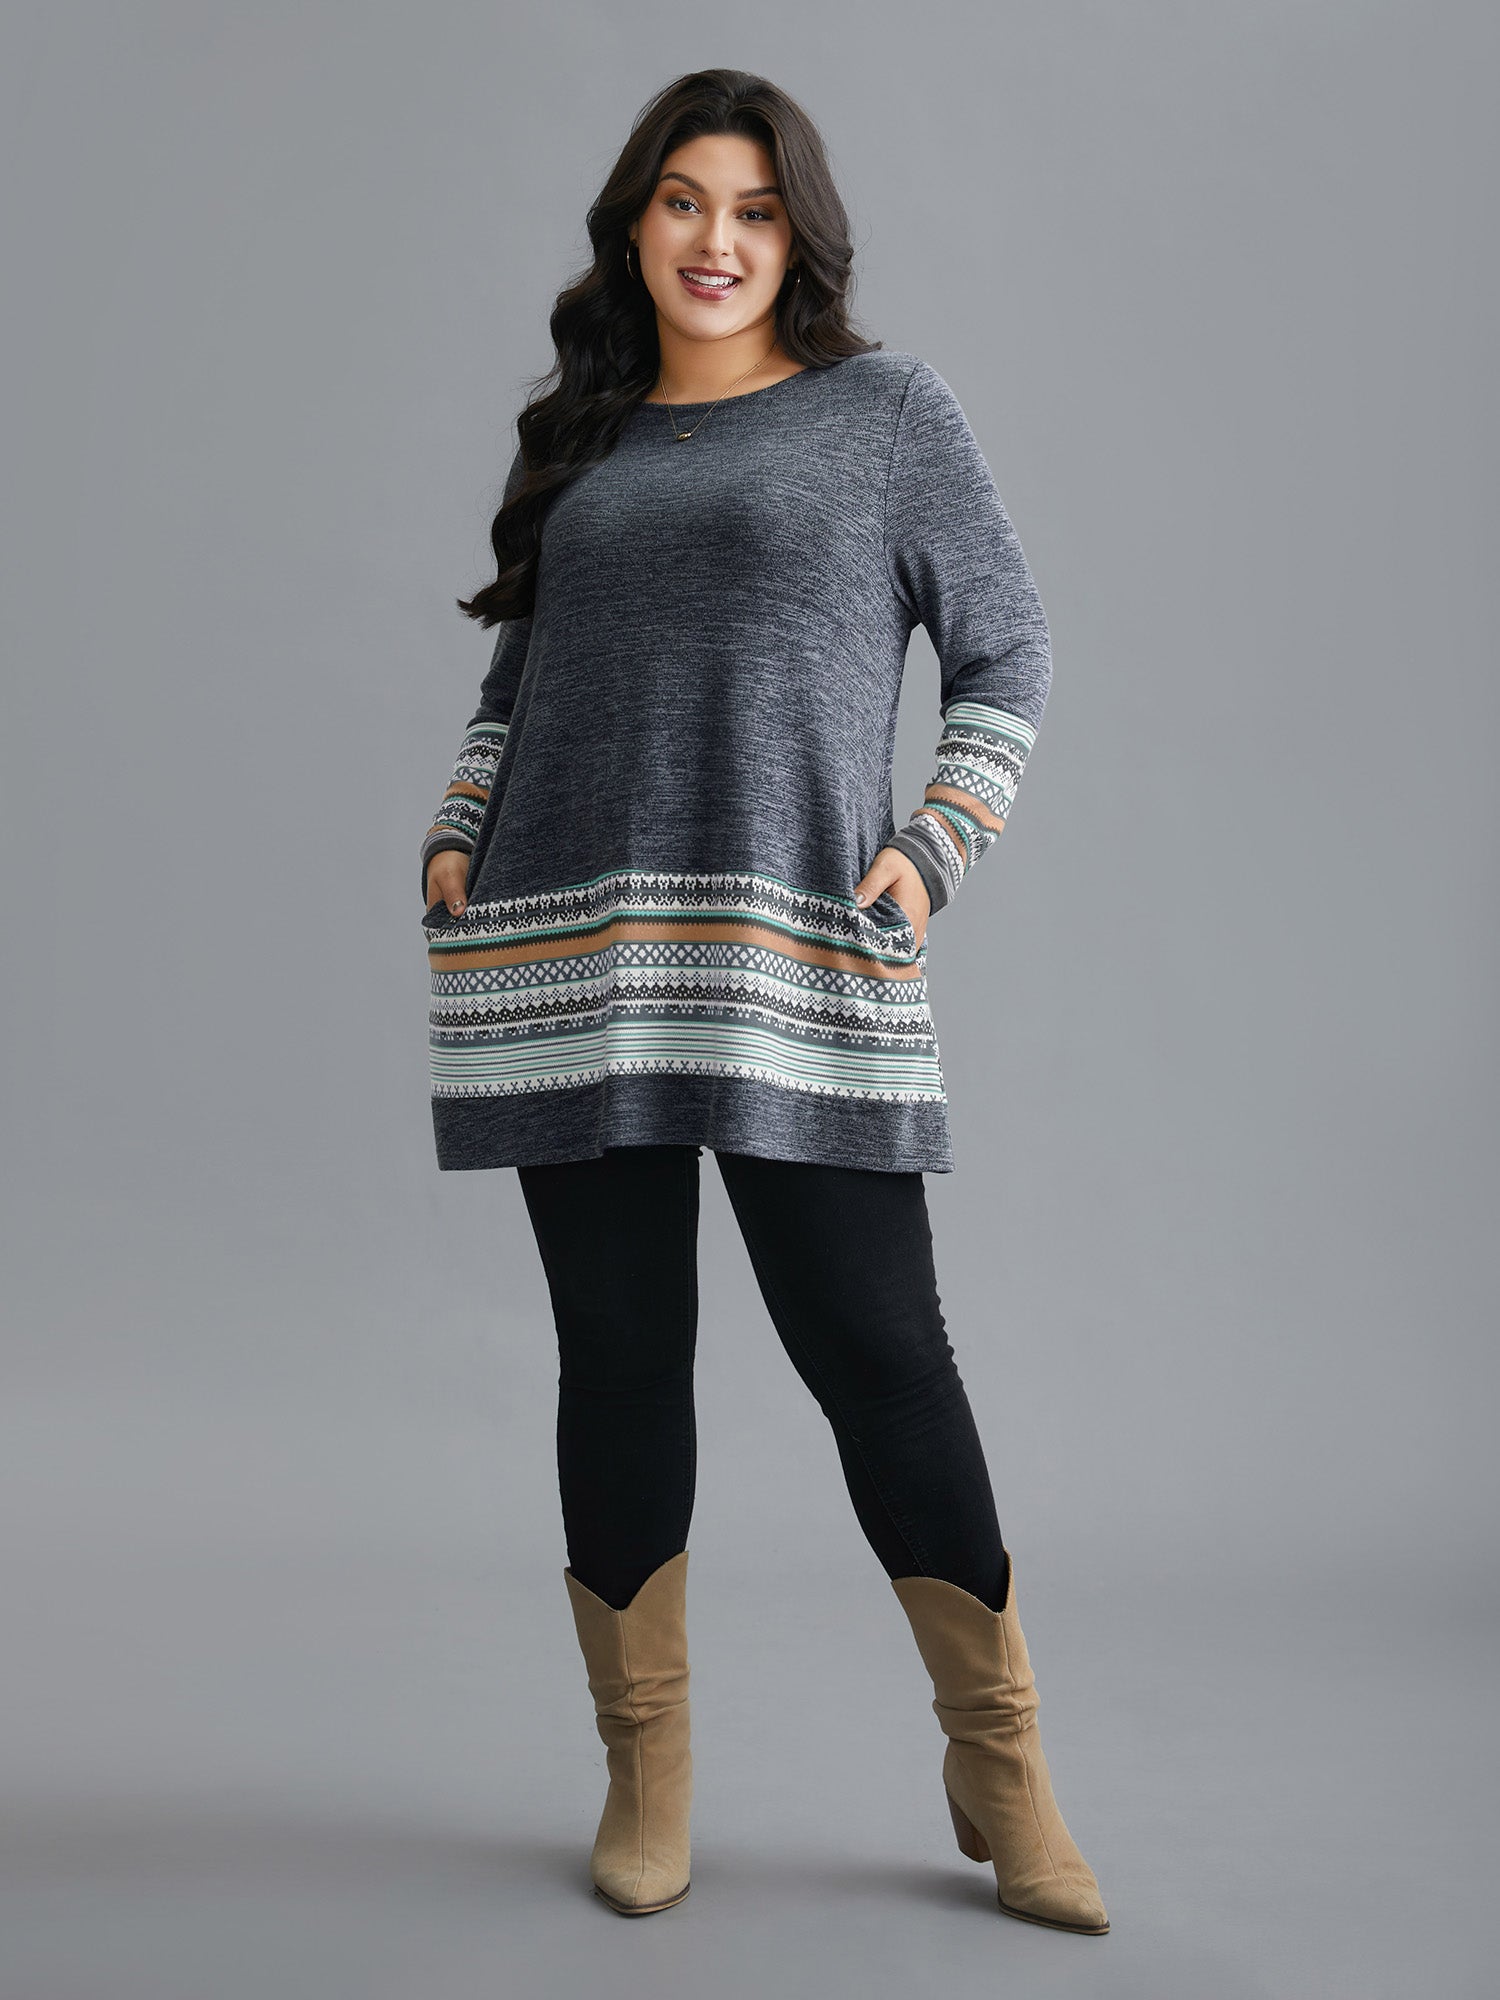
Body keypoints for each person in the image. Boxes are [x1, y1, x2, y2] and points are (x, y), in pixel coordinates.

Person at [418, 67, 1109, 1936]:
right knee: (619, 1360)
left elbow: (1010, 648)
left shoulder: (887, 416)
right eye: (682, 201)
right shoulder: (586, 436)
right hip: (568, 948)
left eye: (754, 208)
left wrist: (934, 848)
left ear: (798, 234)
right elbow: (517, 686)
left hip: (792, 953)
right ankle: (645, 1767)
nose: (715, 241)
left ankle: (1004, 1762)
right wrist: (459, 831)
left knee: (882, 1357)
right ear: (633, 225)